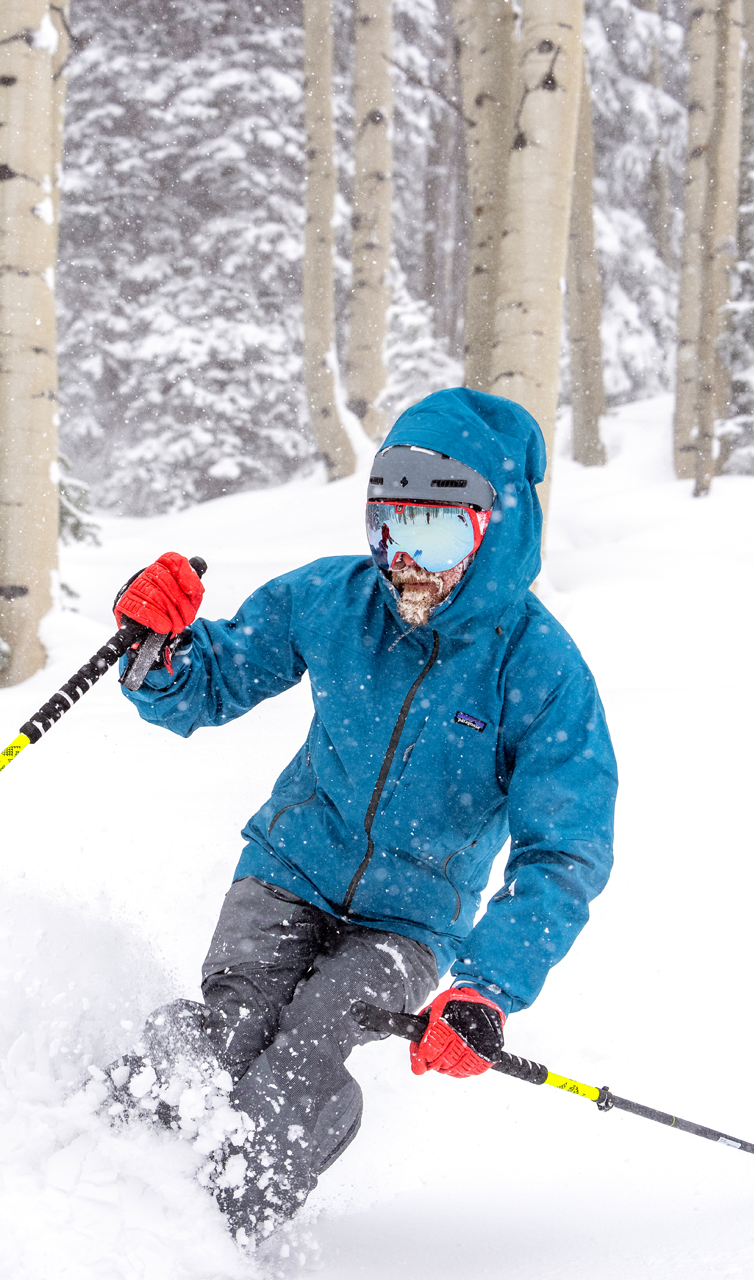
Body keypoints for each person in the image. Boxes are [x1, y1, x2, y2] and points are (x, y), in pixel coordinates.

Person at [108, 387, 618, 1239]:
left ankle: (208, 1230)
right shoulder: (336, 601)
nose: (403, 560)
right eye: (388, 525)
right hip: (288, 868)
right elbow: (212, 678)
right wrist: (156, 646)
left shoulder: (541, 671)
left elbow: (564, 851)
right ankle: (100, 1164)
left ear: (496, 530)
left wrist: (487, 988)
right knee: (231, 1023)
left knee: (309, 1040)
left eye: (437, 532)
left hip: (408, 923)